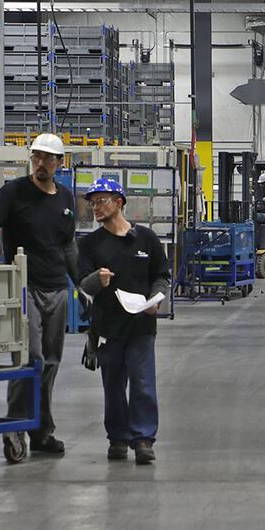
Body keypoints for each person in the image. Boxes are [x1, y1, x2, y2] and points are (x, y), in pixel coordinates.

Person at [0, 134, 79, 457]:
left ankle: (41, 432)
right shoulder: (13, 193)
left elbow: (68, 246)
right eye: (36, 157)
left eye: (47, 159)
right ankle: (14, 429)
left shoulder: (66, 199)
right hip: (24, 289)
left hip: (57, 290)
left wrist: (84, 283)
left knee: (51, 363)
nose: (41, 164)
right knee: (30, 359)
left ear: (59, 163)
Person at [77, 176, 171, 464]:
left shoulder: (146, 239)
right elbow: (82, 284)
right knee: (113, 385)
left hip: (142, 326)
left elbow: (161, 276)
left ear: (119, 203)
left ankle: (142, 439)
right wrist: (97, 280)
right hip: (108, 327)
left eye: (101, 201)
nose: (96, 208)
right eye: (92, 203)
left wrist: (156, 298)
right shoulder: (90, 244)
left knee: (143, 383)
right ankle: (117, 438)